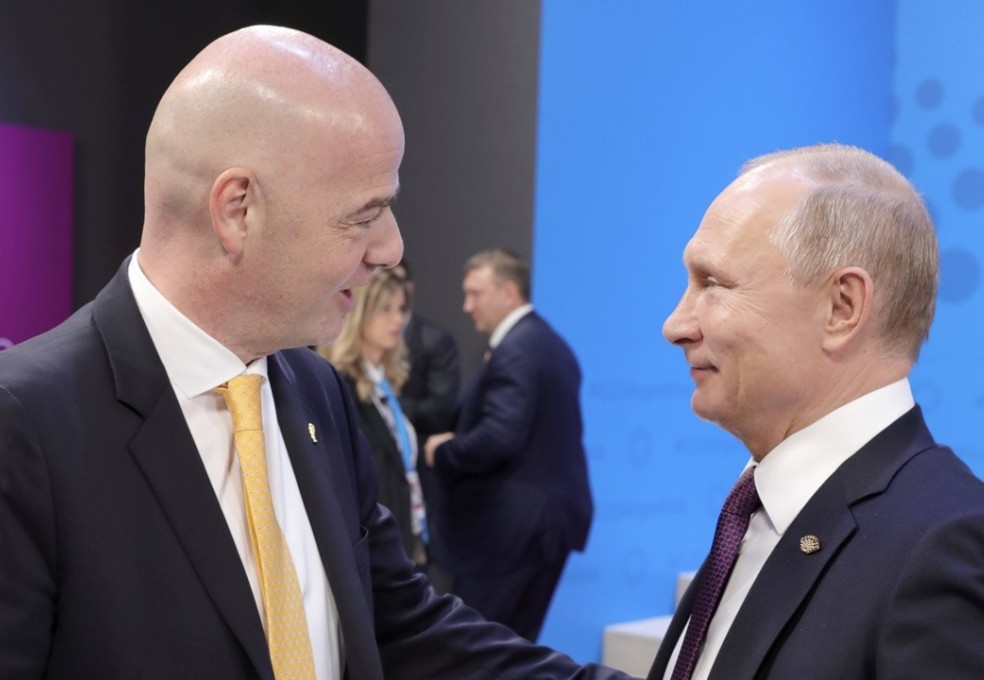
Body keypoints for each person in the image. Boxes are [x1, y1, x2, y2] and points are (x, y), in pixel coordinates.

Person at [0, 26, 635, 680]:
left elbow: (400, 625)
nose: (390, 248)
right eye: (363, 216)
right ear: (238, 210)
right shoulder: (27, 423)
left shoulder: (314, 390)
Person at [648, 143, 984, 679]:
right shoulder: (761, 508)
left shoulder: (952, 550)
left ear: (842, 307)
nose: (676, 325)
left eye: (713, 284)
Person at [424, 248, 594, 642]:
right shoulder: (546, 342)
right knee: (511, 649)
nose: (467, 306)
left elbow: (500, 437)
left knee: (478, 649)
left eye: (475, 293)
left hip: (512, 530)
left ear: (509, 292)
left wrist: (443, 451)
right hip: (538, 526)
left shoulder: (516, 349)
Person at [317, 268, 428, 568]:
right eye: (385, 309)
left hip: (406, 532)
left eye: (401, 309)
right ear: (360, 313)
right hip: (373, 547)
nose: (398, 320)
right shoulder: (339, 385)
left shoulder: (385, 383)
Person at [391, 258, 460, 440]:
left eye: (397, 281)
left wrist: (386, 405)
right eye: (384, 282)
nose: (391, 290)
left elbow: (441, 409)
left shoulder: (434, 340)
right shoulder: (346, 345)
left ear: (410, 286)